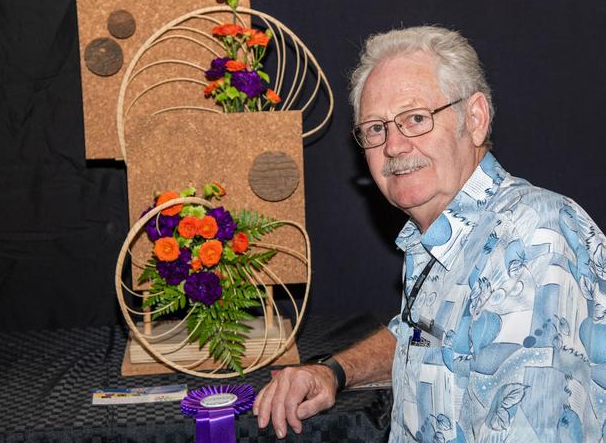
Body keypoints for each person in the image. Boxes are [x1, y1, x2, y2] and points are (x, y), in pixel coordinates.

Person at [253, 26, 606, 442]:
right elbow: (424, 336)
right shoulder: (445, 236)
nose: (394, 146)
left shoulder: (531, 240)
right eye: (375, 128)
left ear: (474, 120)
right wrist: (333, 371)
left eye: (415, 119)